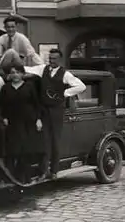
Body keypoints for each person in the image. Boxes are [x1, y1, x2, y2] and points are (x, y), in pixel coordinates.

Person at [24, 48, 86, 179]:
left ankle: (54, 171)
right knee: (44, 140)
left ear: (60, 60)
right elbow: (28, 69)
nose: (51, 61)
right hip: (44, 110)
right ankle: (43, 170)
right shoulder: (43, 69)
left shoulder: (65, 74)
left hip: (57, 110)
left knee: (55, 140)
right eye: (50, 58)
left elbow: (81, 86)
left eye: (54, 59)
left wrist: (65, 93)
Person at [0, 63, 45, 184]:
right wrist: (3, 118)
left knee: (26, 151)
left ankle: (25, 177)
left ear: (22, 74)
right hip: (12, 123)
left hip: (28, 123)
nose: (15, 75)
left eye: (18, 72)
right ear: (10, 75)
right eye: (13, 72)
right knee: (13, 151)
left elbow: (36, 104)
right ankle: (12, 177)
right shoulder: (6, 88)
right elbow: (0, 106)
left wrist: (38, 119)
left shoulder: (29, 87)